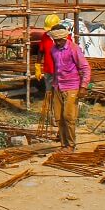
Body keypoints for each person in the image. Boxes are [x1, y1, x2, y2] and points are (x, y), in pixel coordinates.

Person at [41, 23, 91, 151]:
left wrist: (83, 87)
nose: (57, 42)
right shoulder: (53, 50)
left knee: (69, 117)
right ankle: (63, 145)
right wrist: (52, 87)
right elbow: (56, 69)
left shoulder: (74, 49)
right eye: (55, 40)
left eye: (59, 40)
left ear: (65, 38)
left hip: (71, 86)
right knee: (59, 117)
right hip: (58, 86)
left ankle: (71, 145)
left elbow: (85, 68)